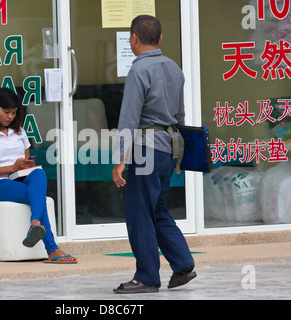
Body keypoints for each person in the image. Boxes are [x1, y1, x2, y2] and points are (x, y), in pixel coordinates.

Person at [112, 15, 195, 293]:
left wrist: (119, 159)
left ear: (133, 38)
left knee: (139, 213)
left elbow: (129, 119)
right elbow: (180, 115)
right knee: (156, 207)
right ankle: (182, 264)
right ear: (159, 39)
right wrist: (180, 153)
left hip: (147, 149)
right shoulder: (174, 68)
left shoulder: (138, 71)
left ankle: (147, 276)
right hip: (170, 148)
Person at [0, 87, 77, 264]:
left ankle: (35, 223)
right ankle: (52, 250)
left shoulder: (19, 132)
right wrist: (11, 167)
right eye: (6, 112)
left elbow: (26, 161)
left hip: (19, 177)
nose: (10, 117)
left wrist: (24, 165)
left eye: (13, 113)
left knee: (38, 172)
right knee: (39, 199)